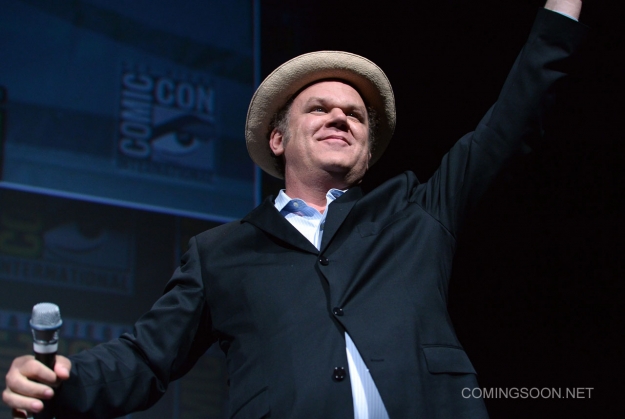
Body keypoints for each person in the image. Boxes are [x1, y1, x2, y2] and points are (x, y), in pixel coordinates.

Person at [3, 1, 585, 418]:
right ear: (278, 139)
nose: (340, 118)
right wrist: (63, 384)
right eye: (320, 108)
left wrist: (561, 10)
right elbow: (145, 358)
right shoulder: (219, 252)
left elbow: (512, 119)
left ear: (367, 150)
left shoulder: (417, 211)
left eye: (355, 115)